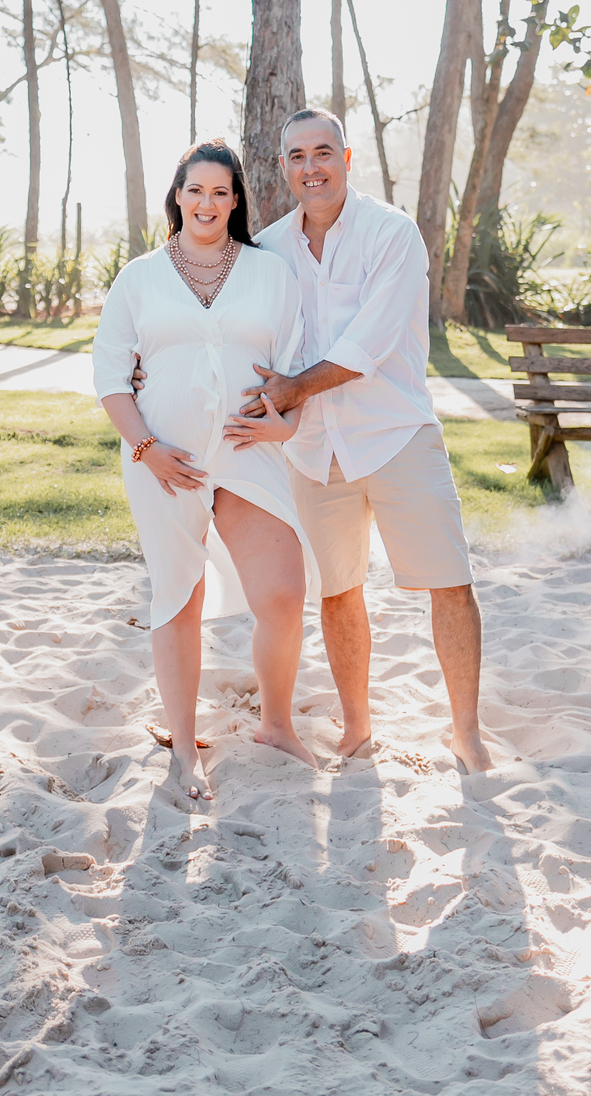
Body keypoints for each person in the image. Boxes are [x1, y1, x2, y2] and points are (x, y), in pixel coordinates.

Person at [222, 109, 492, 774]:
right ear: (283, 167)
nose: (310, 167)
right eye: (296, 156)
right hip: (313, 449)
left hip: (396, 433)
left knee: (450, 582)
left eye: (323, 152)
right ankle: (357, 726)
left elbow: (368, 344)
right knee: (338, 591)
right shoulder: (269, 249)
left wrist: (292, 389)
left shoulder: (391, 233)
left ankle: (466, 733)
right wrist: (147, 367)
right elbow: (231, 327)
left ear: (346, 158)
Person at [93, 139, 319, 804]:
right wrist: (146, 448)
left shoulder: (269, 274)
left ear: (236, 200)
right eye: (196, 190)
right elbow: (111, 377)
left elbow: (294, 367)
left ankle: (276, 724)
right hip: (165, 461)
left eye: (221, 192)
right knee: (178, 597)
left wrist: (285, 425)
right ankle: (186, 750)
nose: (207, 203)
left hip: (249, 452)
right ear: (177, 196)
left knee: (283, 594)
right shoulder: (139, 278)